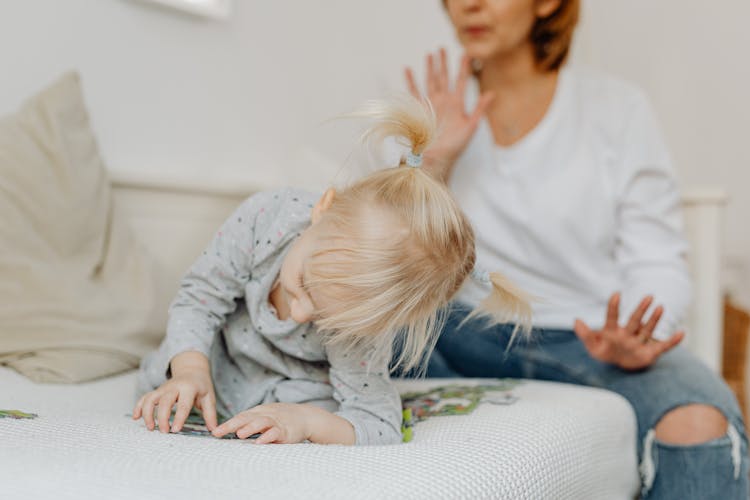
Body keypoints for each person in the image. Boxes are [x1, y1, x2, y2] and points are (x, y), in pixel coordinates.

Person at [399, 0, 748, 497]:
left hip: (589, 340)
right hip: (461, 330)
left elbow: (658, 261)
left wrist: (639, 333)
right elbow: (391, 264)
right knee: (351, 329)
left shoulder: (617, 109)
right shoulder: (430, 109)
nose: (469, 5)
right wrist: (432, 162)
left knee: (698, 424)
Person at [132, 96, 529, 446]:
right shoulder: (266, 217)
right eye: (304, 284)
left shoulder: (361, 321)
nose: (302, 315)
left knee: (322, 409)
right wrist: (189, 371)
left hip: (292, 384)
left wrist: (307, 422)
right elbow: (199, 299)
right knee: (172, 363)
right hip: (220, 354)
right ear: (323, 208)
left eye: (326, 317)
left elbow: (378, 423)